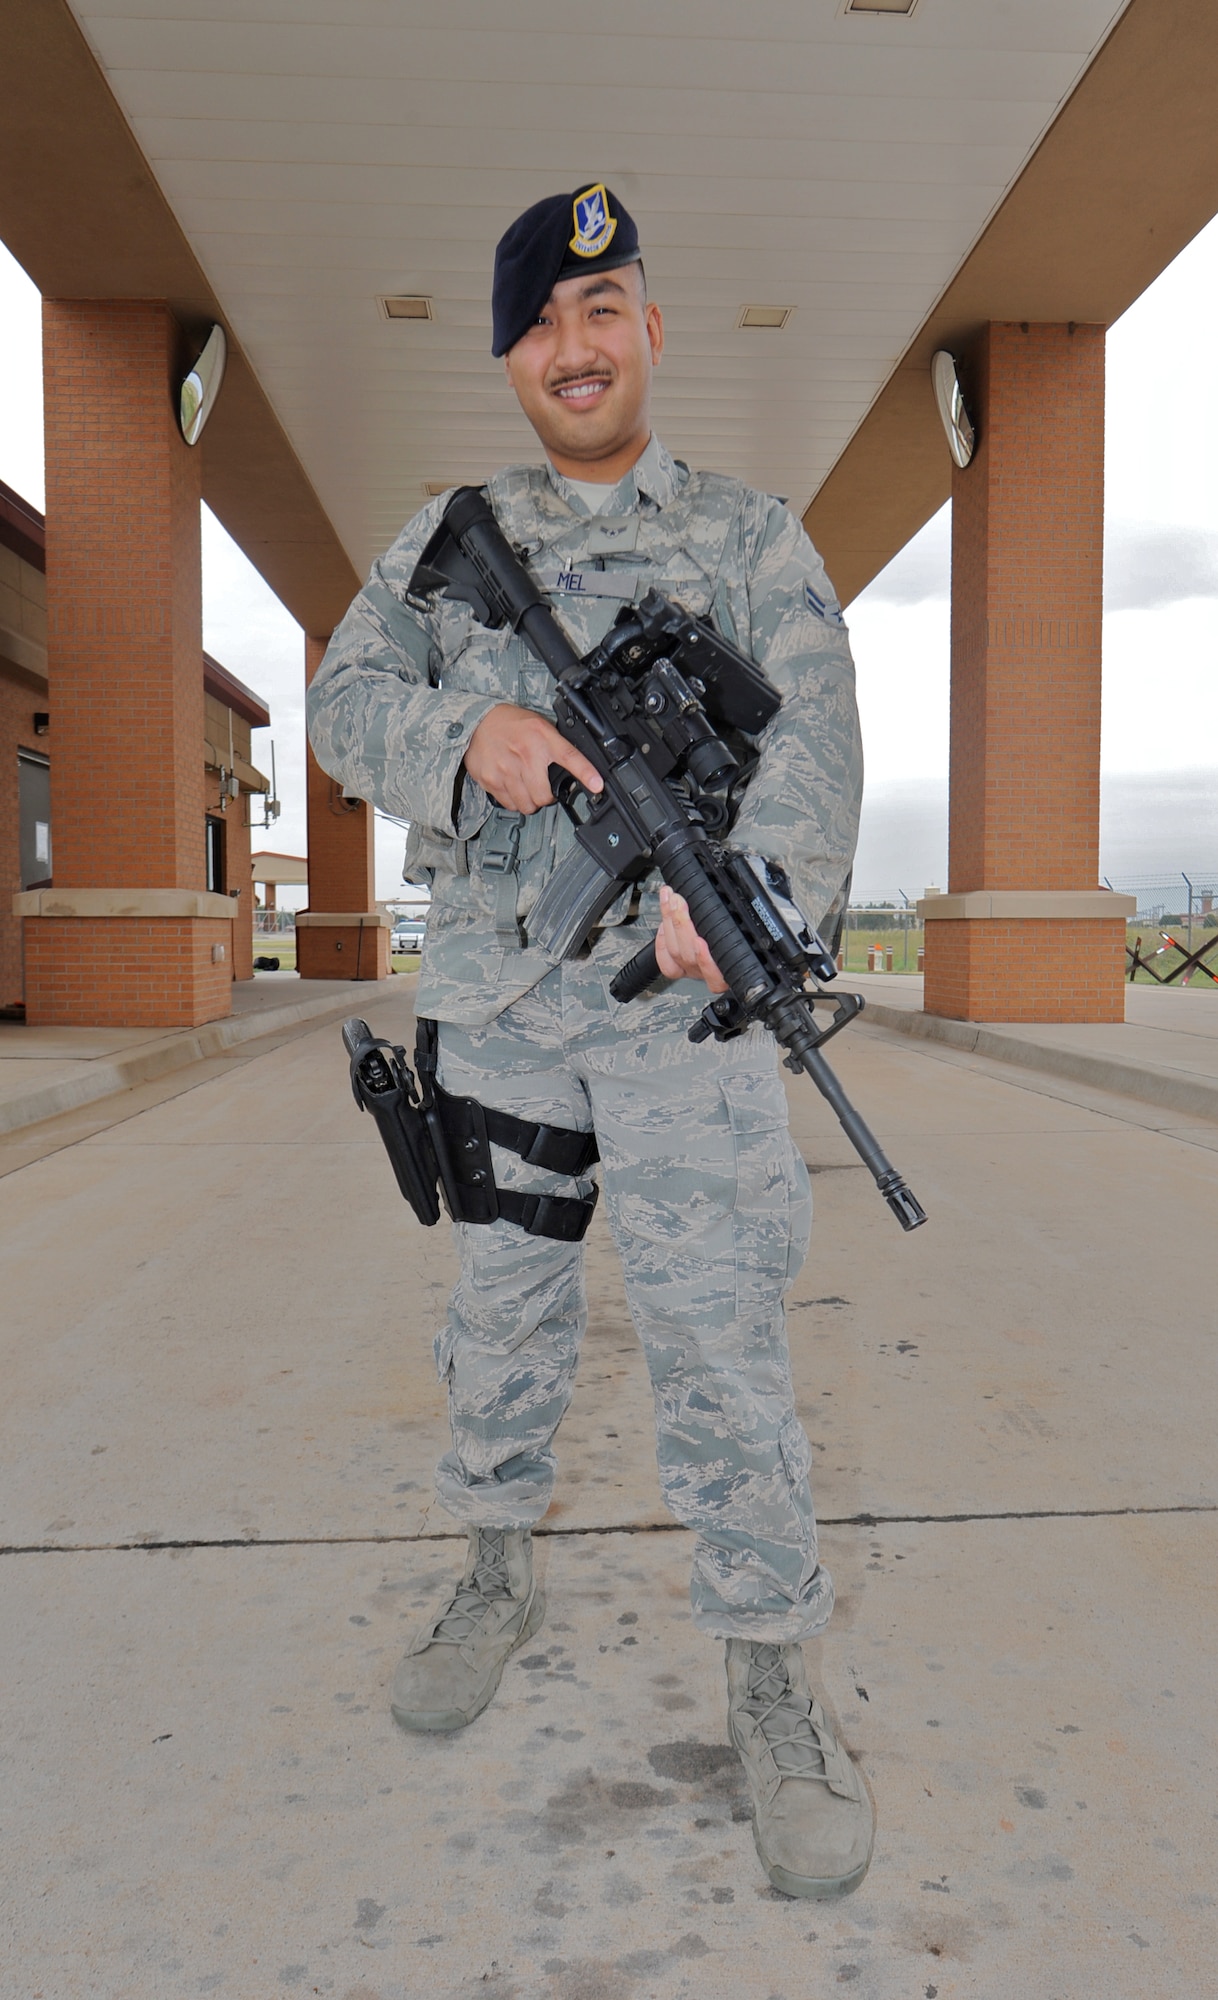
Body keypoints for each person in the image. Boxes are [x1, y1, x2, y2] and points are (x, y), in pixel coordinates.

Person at [308, 184, 869, 1899]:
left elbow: (819, 750)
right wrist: (463, 723)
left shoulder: (755, 537)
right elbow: (339, 703)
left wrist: (746, 894)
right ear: (508, 354)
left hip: (689, 1025)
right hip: (501, 1018)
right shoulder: (442, 539)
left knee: (721, 1348)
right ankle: (493, 1566)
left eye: (603, 306)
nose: (575, 345)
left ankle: (771, 1671)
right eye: (544, 321)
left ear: (647, 330)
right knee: (502, 1321)